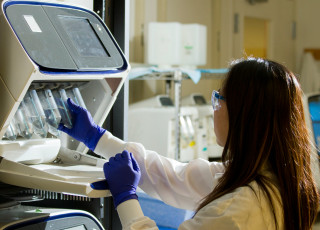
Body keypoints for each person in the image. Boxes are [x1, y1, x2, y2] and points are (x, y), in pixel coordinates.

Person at [58, 57, 319, 230]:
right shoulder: (272, 179)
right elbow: (173, 176)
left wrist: (127, 199)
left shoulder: (239, 209)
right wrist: (98, 138)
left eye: (219, 100)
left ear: (244, 115)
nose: (214, 108)